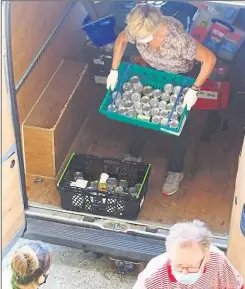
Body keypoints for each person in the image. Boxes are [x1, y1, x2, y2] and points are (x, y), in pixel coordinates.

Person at [106, 4, 217, 196]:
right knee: (140, 112)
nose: (140, 41)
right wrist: (114, 70)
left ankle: (176, 170)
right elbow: (122, 40)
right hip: (154, 71)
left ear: (156, 28)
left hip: (181, 76)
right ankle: (134, 154)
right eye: (138, 37)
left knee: (178, 126)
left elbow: (209, 59)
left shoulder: (176, 39)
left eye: (144, 37)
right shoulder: (136, 29)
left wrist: (194, 89)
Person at [133, 220, 244, 288]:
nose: (184, 272)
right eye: (178, 266)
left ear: (206, 257)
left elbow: (235, 286)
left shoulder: (218, 260)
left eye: (191, 267)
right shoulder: (154, 275)